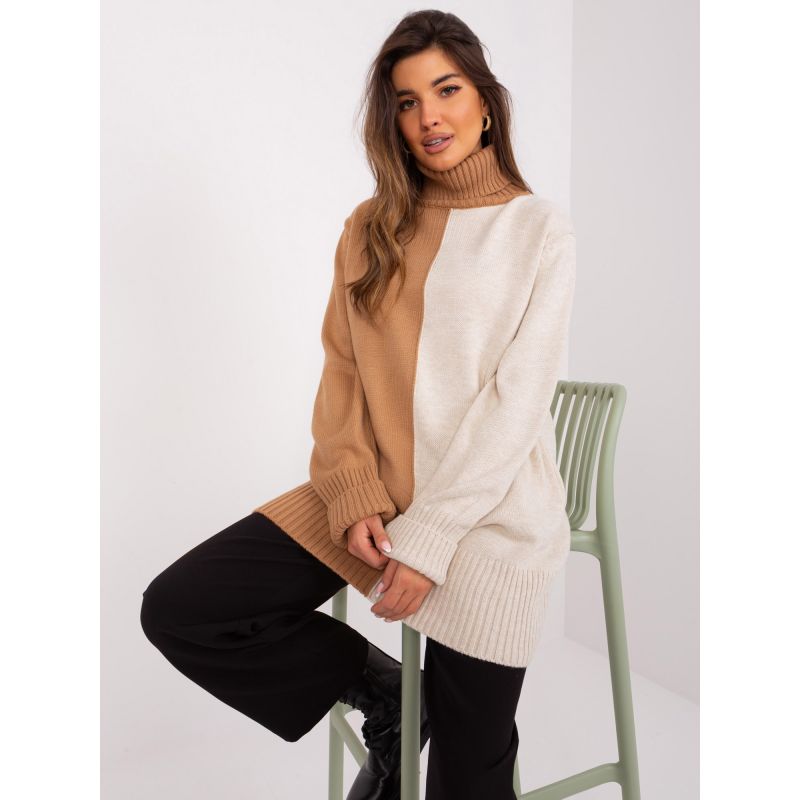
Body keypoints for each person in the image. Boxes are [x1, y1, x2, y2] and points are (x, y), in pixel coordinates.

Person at [140, 9, 576, 800]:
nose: (428, 116)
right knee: (184, 608)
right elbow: (343, 369)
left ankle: (433, 720)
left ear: (485, 102)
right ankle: (390, 699)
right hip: (371, 499)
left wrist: (431, 535)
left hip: (485, 516)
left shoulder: (537, 230)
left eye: (446, 90)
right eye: (407, 102)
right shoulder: (371, 227)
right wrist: (349, 490)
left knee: (466, 782)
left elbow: (516, 401)